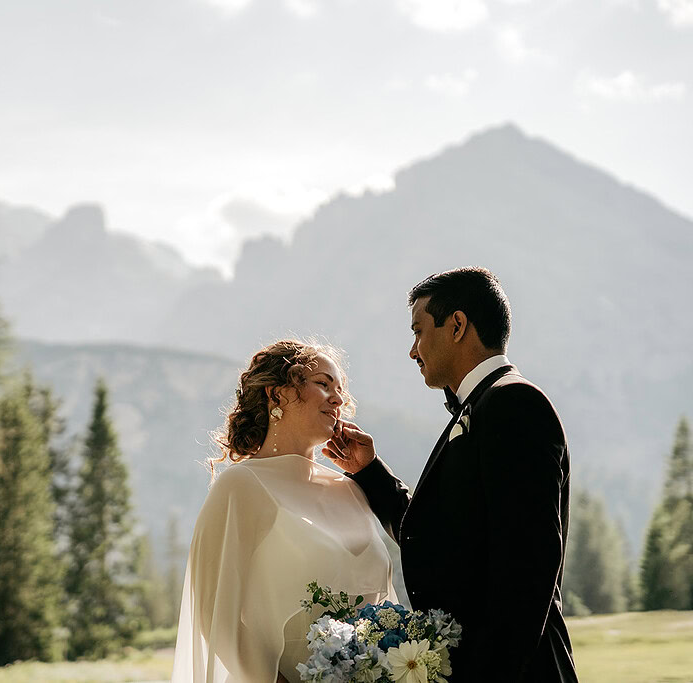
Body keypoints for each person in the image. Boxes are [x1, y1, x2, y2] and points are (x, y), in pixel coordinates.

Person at [324, 267, 578, 682]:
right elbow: (436, 535)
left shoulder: (514, 405)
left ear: (457, 325)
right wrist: (368, 471)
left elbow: (526, 572)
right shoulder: (483, 406)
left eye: (418, 331)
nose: (412, 350)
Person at [171, 340, 395, 683]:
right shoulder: (241, 486)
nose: (337, 399)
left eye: (340, 389)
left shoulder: (351, 489)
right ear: (277, 395)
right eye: (323, 384)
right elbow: (212, 610)